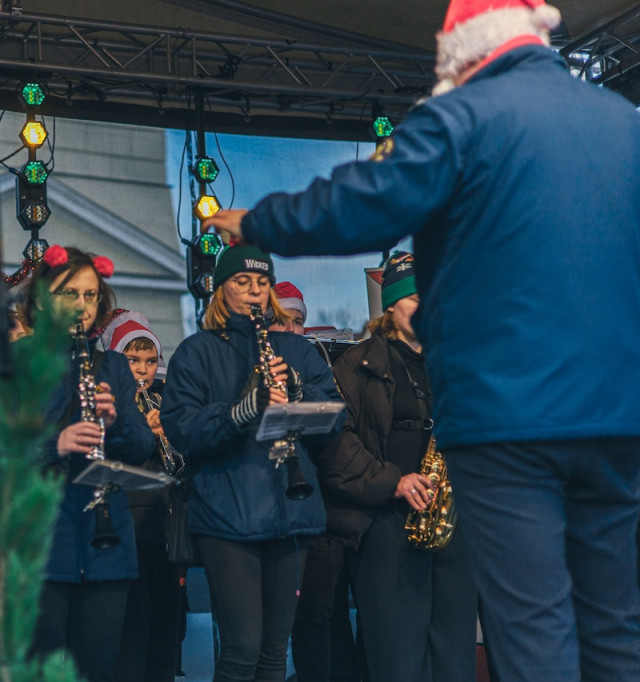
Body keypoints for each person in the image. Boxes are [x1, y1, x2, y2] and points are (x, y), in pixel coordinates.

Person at [202, 2, 640, 680]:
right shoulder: (621, 121)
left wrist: (262, 221)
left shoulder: (463, 117)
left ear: (462, 54)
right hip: (618, 417)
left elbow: (366, 202)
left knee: (534, 626)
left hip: (508, 420)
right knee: (613, 625)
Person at [0, 245, 153, 682]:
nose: (82, 306)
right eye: (71, 294)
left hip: (106, 546)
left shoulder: (113, 365)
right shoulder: (13, 360)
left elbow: (141, 446)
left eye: (91, 296)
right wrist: (57, 443)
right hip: (39, 547)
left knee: (97, 670)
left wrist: (114, 424)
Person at [161, 245, 341, 682]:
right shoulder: (197, 351)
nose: (254, 292)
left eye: (261, 283)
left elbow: (336, 416)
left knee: (275, 653)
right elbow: (183, 429)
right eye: (242, 282)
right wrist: (242, 410)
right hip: (228, 513)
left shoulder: (294, 350)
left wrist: (295, 392)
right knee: (242, 649)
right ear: (221, 290)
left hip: (290, 508)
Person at [315, 252, 477, 682]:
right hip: (386, 521)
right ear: (391, 304)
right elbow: (333, 446)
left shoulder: (455, 362)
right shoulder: (354, 365)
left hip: (451, 518)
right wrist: (393, 481)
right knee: (397, 658)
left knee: (455, 652)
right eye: (415, 294)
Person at [101, 310, 186, 682]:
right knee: (131, 630)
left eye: (150, 361)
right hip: (128, 531)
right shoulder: (110, 405)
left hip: (165, 531)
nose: (143, 369)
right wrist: (141, 430)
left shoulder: (163, 400)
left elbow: (181, 464)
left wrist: (172, 435)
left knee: (168, 627)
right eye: (133, 360)